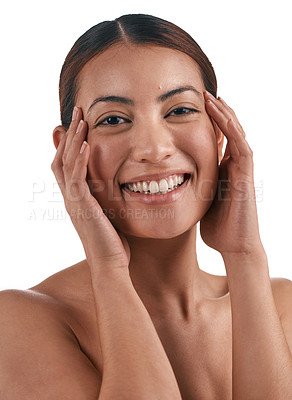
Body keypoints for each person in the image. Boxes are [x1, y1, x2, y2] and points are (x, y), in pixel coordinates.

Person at [0, 13, 292, 400]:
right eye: (114, 119)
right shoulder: (20, 322)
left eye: (180, 110)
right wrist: (108, 269)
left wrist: (245, 256)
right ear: (68, 150)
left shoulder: (281, 308)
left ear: (219, 133)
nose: (154, 150)